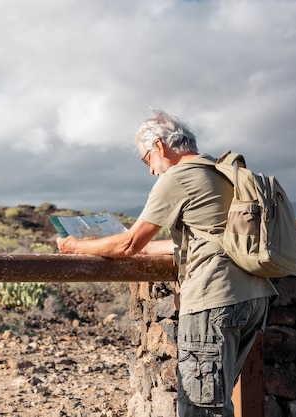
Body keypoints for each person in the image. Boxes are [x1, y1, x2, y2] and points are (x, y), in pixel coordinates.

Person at [56, 109, 278, 417]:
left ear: (159, 146)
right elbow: (196, 239)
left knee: (200, 409)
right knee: (218, 400)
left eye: (146, 159)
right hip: (253, 298)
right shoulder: (219, 172)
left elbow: (129, 243)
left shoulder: (178, 177)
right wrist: (143, 250)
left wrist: (75, 247)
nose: (150, 170)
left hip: (213, 301)